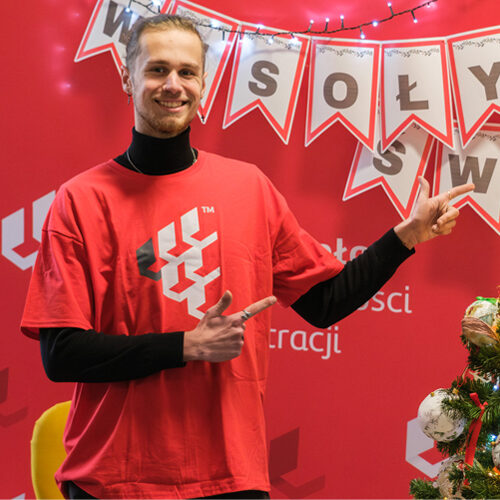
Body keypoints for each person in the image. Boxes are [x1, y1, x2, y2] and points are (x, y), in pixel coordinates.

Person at [21, 14, 474, 500]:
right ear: (127, 78)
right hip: (114, 480)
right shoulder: (80, 199)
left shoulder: (249, 187)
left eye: (187, 72)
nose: (173, 85)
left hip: (232, 477)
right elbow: (62, 353)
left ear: (204, 83)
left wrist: (405, 237)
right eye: (157, 70)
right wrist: (185, 346)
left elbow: (325, 303)